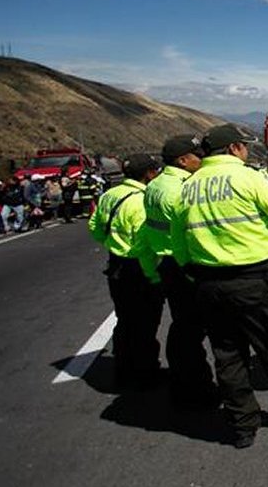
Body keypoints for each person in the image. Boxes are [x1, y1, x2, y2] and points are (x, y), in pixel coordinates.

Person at [171, 123, 268, 448]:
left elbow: (178, 243)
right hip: (255, 281)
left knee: (228, 355)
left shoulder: (188, 187)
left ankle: (242, 426)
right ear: (233, 149)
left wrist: (195, 274)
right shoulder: (249, 177)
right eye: (242, 146)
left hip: (209, 284)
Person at [143, 134, 218, 410]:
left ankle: (185, 384)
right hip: (182, 265)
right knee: (190, 332)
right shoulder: (179, 189)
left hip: (166, 263)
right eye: (197, 155)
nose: (202, 159)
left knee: (183, 328)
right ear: (183, 160)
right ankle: (195, 390)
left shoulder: (156, 185)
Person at [88, 154, 164, 390]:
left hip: (116, 266)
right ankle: (145, 374)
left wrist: (113, 245)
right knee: (145, 324)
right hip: (138, 269)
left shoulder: (110, 195)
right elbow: (143, 246)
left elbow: (94, 227)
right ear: (149, 174)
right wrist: (153, 276)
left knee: (125, 320)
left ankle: (123, 370)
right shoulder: (141, 201)